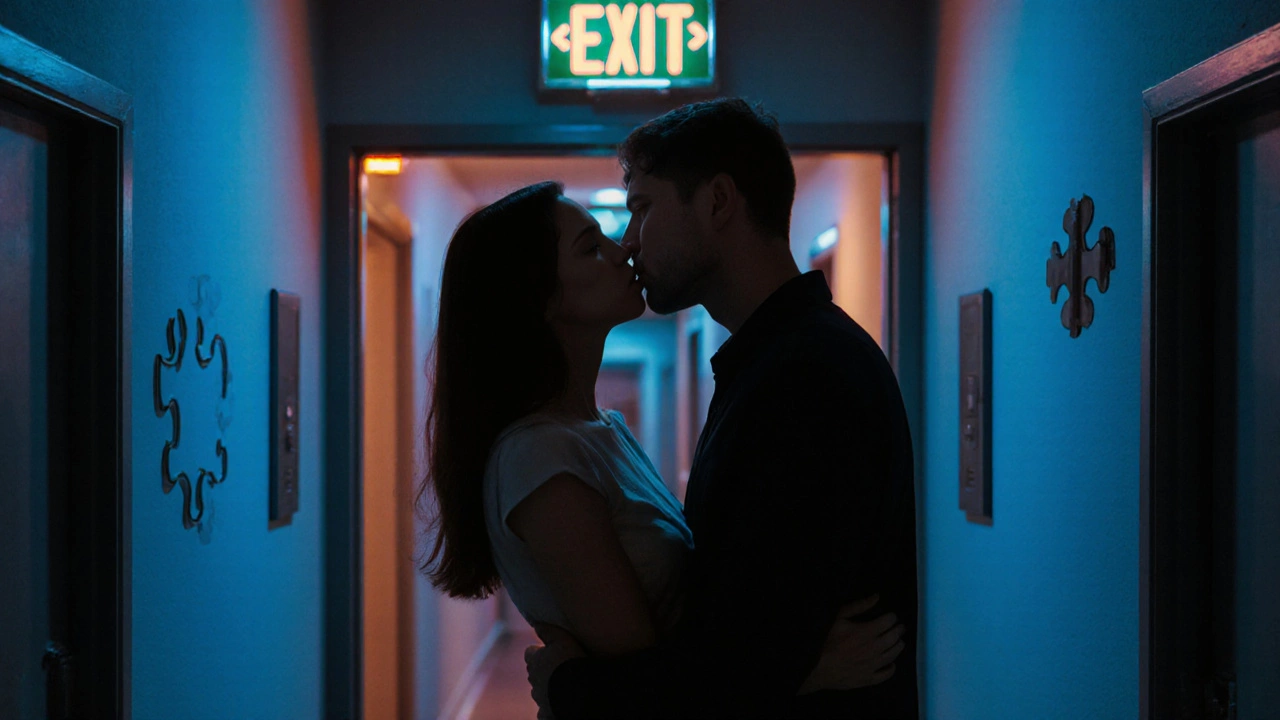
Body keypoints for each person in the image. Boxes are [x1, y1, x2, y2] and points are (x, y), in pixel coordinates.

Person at [419, 180, 906, 714]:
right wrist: (801, 672)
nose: (622, 248)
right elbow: (644, 687)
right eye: (590, 246)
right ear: (540, 302)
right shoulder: (540, 457)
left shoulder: (601, 430)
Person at [525, 98, 920, 719]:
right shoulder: (775, 362)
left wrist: (568, 686)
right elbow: (755, 643)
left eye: (643, 209)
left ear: (716, 201)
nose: (629, 241)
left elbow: (737, 656)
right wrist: (789, 667)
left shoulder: (807, 376)